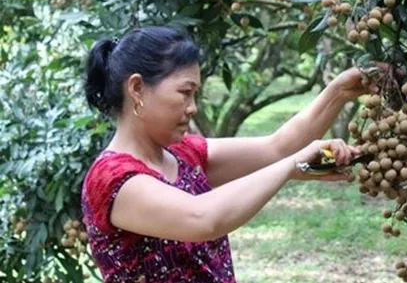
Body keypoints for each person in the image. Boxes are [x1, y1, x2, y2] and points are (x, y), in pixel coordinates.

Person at [80, 26, 381, 282]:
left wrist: (339, 92)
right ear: (136, 88)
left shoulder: (182, 154)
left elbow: (277, 148)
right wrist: (292, 167)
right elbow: (203, 218)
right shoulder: (112, 180)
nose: (193, 107)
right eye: (185, 92)